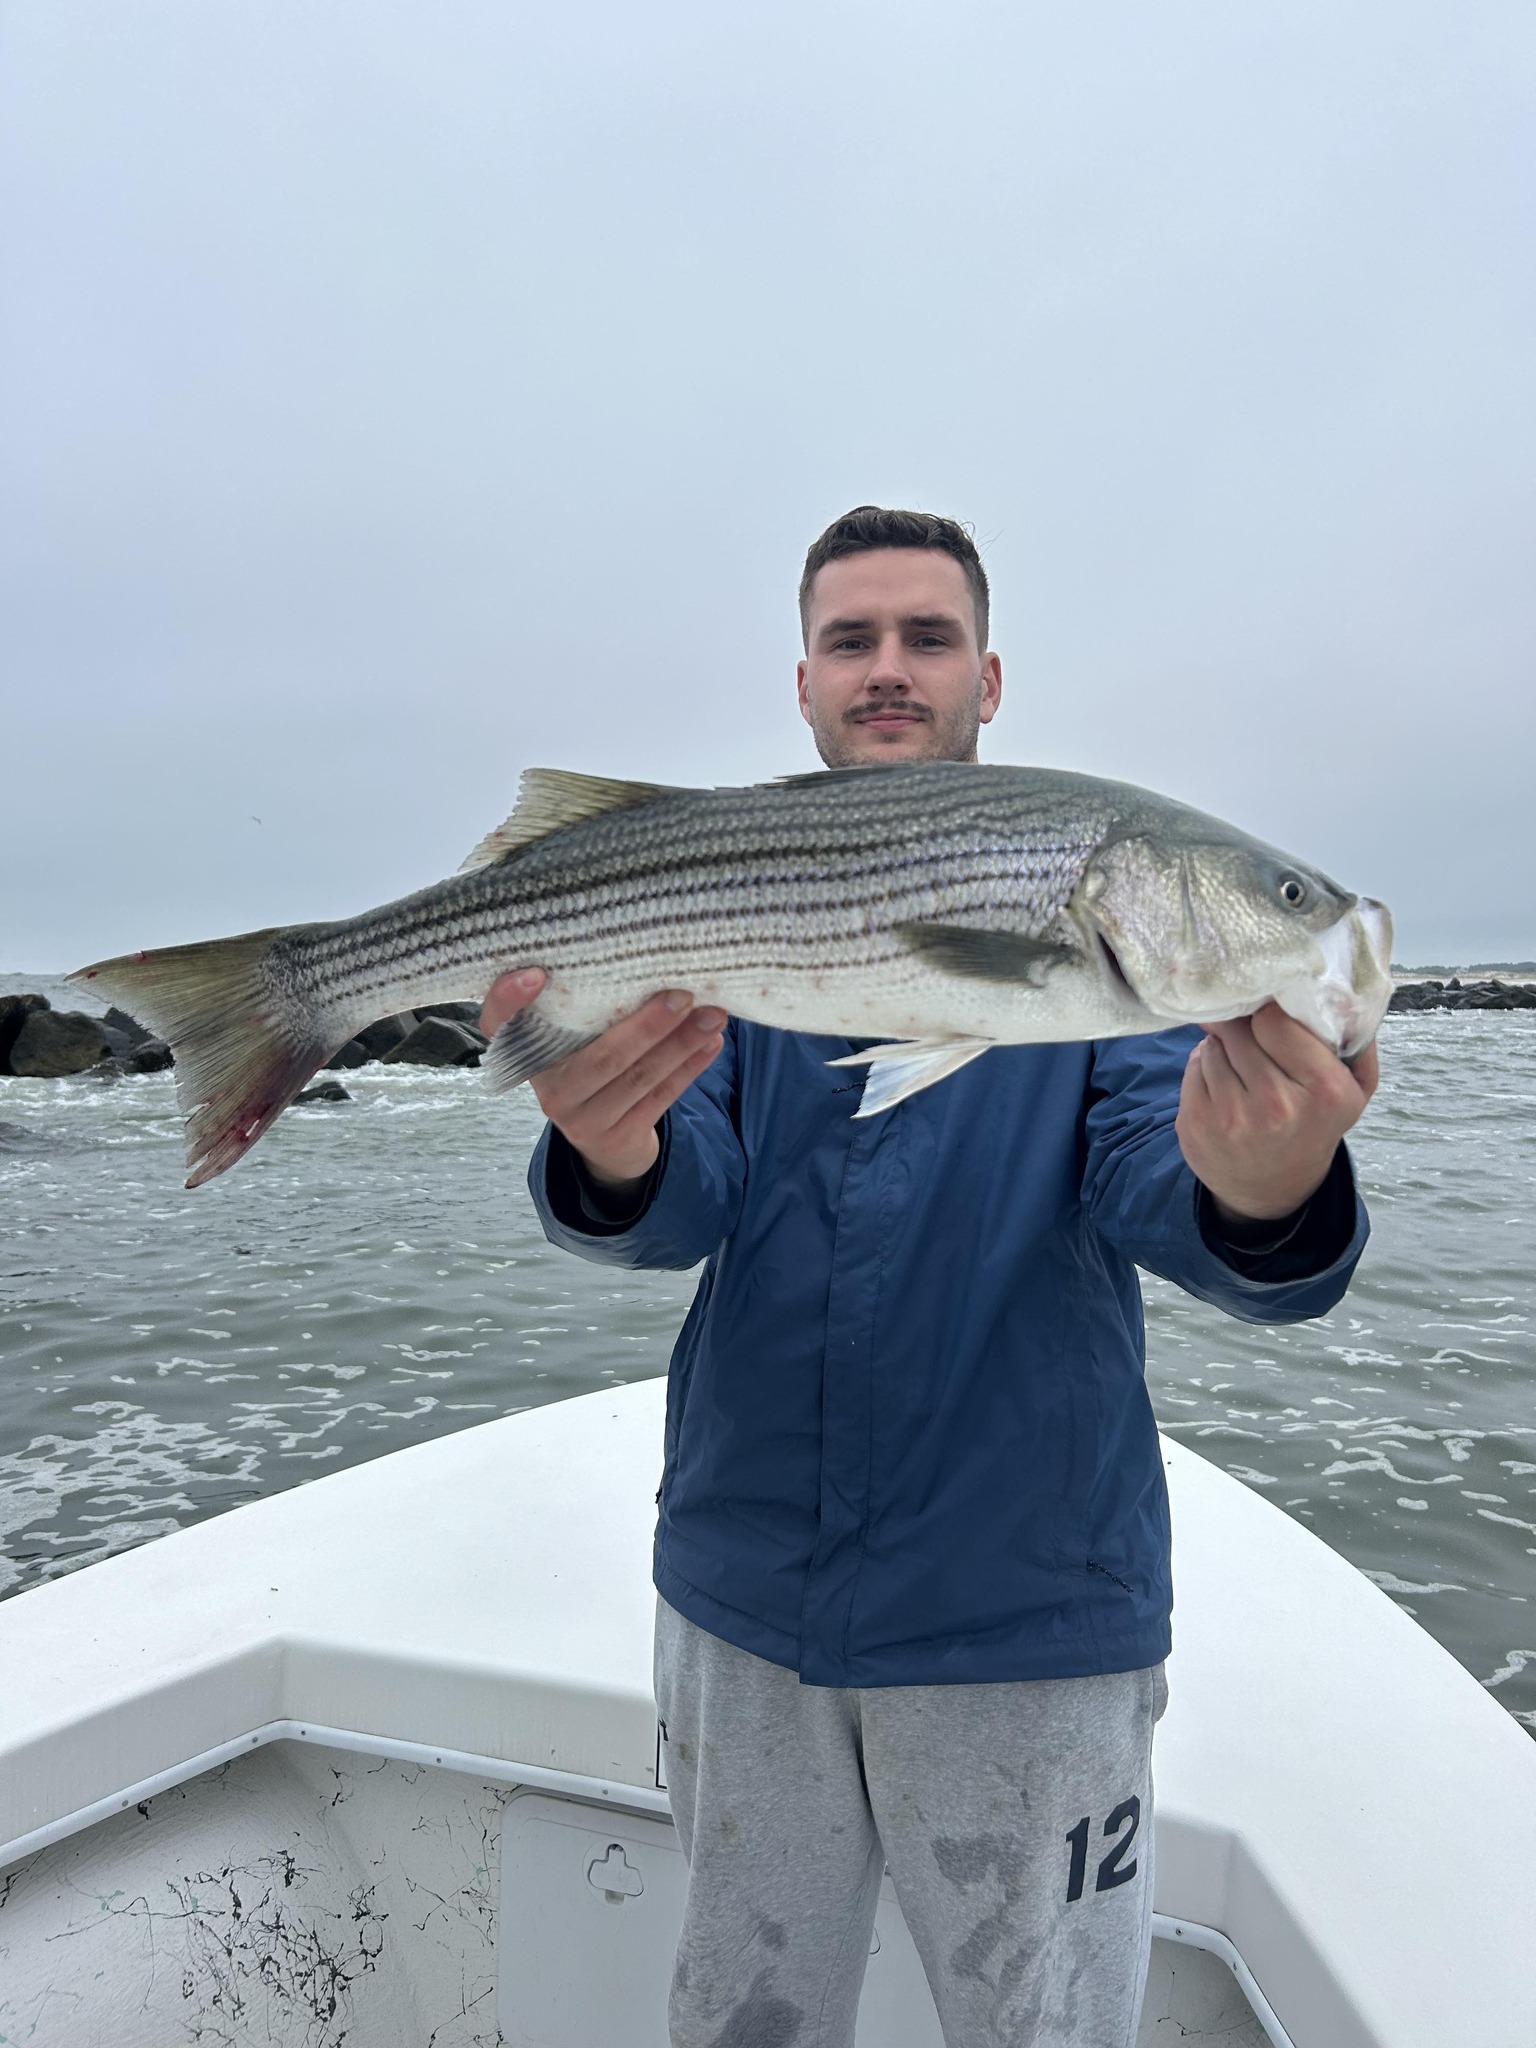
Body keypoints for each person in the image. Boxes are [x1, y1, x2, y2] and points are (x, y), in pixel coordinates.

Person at [481, 506, 1377, 2047]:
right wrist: (609, 1148)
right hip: (741, 1594)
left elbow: (1169, 1181)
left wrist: (1270, 1185)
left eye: (927, 638)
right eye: (853, 640)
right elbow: (680, 1188)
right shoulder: (728, 907)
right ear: (808, 683)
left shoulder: (1115, 967)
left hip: (1026, 1616)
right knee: (740, 2019)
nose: (889, 669)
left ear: (990, 676)